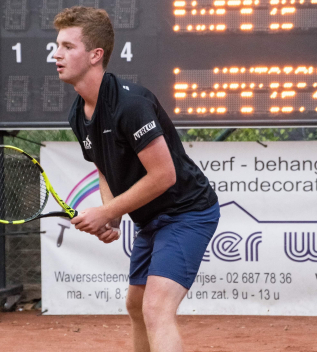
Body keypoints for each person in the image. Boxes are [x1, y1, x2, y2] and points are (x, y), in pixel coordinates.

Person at [53, 6, 220, 352]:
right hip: (152, 220)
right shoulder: (77, 112)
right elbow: (103, 166)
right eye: (58, 46)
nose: (57, 54)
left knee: (156, 309)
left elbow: (164, 175)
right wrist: (110, 212)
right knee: (136, 306)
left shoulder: (131, 105)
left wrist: (104, 212)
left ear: (96, 55)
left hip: (187, 212)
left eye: (69, 47)